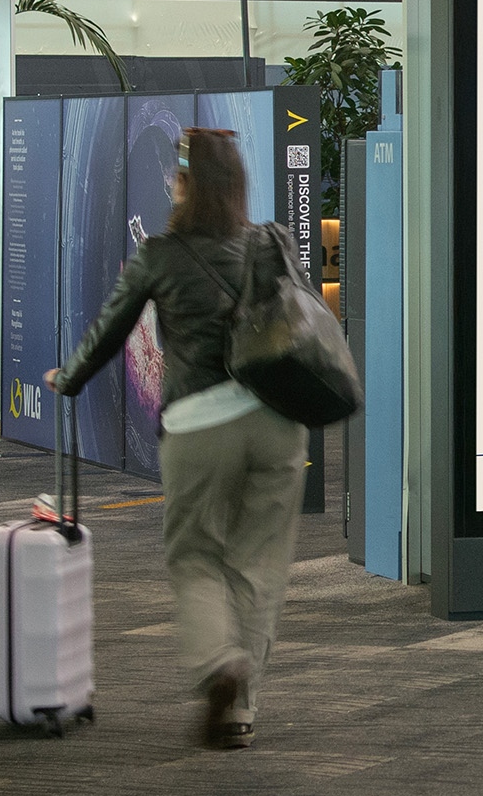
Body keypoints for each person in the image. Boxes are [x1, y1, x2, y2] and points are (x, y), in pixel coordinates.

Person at [49, 127, 308, 750]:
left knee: (196, 557)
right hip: (279, 423)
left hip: (199, 426)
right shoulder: (271, 242)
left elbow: (110, 331)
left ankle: (220, 661)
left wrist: (69, 377)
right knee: (258, 566)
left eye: (176, 175)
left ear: (187, 185)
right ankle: (240, 710)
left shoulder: (160, 255)